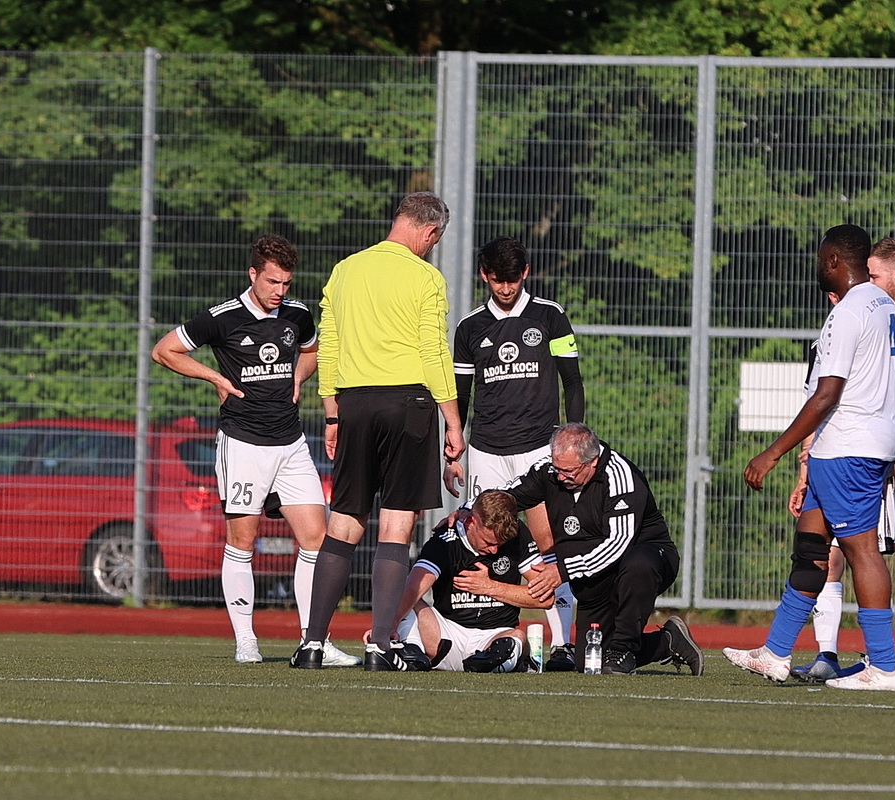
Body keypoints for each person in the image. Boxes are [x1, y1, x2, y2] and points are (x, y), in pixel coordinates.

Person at [151, 234, 360, 667]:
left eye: (286, 283)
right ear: (253, 274)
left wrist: (299, 376)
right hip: (244, 445)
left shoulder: (297, 314)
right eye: (272, 282)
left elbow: (313, 350)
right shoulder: (223, 317)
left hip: (292, 444)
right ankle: (246, 641)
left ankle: (314, 641)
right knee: (243, 541)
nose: (280, 291)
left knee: (316, 539)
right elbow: (164, 350)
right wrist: (215, 377)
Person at [723, 223, 895, 691]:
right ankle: (776, 652)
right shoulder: (886, 305)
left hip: (849, 447)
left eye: (821, 256)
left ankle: (884, 667)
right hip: (845, 446)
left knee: (861, 550)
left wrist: (773, 453)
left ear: (833, 261)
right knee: (810, 545)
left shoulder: (849, 310)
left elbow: (827, 394)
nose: (818, 263)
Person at [290, 191, 466, 670]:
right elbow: (434, 352)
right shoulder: (426, 277)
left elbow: (328, 347)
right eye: (434, 240)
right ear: (430, 231)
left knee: (344, 522)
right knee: (396, 524)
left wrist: (332, 413)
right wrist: (453, 423)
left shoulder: (345, 270)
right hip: (409, 403)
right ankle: (380, 646)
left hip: (354, 404)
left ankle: (312, 644)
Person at [791, 237, 895, 685]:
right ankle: (827, 654)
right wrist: (807, 464)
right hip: (861, 454)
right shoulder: (863, 317)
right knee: (836, 551)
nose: (865, 282)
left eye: (874, 275)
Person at [444, 235, 585, 671]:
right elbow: (460, 396)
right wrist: (453, 452)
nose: (505, 288)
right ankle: (479, 636)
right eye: (496, 280)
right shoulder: (470, 327)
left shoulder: (550, 316)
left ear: (526, 273)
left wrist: (575, 438)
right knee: (481, 538)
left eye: (513, 279)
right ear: (484, 276)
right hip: (486, 452)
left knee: (549, 543)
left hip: (538, 450)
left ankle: (562, 645)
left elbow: (573, 382)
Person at [504, 422, 704, 676]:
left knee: (638, 564)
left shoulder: (620, 476)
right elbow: (505, 496)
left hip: (643, 561)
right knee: (590, 661)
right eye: (557, 468)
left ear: (593, 462)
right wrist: (470, 512)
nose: (560, 476)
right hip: (593, 578)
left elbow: (617, 544)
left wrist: (562, 571)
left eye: (569, 471)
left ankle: (623, 646)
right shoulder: (550, 470)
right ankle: (667, 641)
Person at [387, 490, 551, 673]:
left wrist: (491, 587)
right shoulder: (446, 540)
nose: (495, 550)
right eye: (489, 542)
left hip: (495, 637)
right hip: (445, 635)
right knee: (402, 590)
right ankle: (412, 652)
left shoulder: (518, 535)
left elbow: (545, 598)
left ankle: (491, 662)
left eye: (500, 544)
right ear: (470, 522)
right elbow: (414, 585)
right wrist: (388, 626)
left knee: (517, 638)